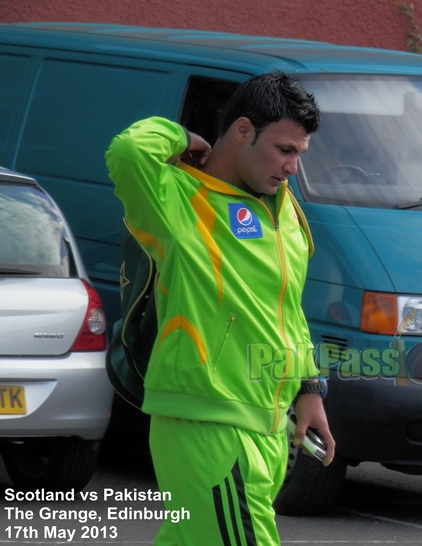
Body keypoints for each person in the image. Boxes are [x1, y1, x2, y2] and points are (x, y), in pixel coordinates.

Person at [105, 71, 334, 546]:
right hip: (206, 420)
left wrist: (309, 388)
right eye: (284, 150)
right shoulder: (177, 199)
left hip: (268, 425)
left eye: (300, 154)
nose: (293, 167)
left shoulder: (284, 209)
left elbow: (287, 311)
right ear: (243, 131)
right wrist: (186, 136)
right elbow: (128, 150)